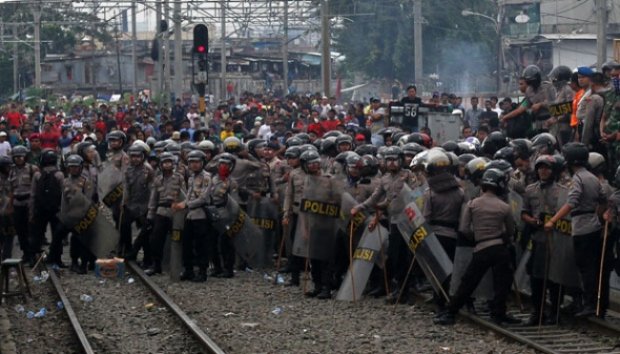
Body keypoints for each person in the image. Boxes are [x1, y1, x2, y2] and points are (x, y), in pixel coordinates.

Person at [435, 168, 519, 325]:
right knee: (502, 284)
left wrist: (477, 239)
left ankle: (450, 312)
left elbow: (464, 228)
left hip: (481, 248)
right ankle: (498, 314)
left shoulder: (472, 204)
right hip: (500, 248)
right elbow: (511, 230)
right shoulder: (504, 207)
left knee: (468, 283)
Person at [544, 142, 606, 317]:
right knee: (591, 266)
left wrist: (553, 221)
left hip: (581, 226)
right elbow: (602, 200)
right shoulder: (593, 177)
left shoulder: (578, 179)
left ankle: (589, 304)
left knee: (584, 267)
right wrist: (599, 217)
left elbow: (571, 203)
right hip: (593, 224)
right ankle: (592, 303)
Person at [351, 146, 416, 304]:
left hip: (409, 222)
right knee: (394, 257)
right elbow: (374, 198)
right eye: (388, 160)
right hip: (393, 222)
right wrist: (359, 207)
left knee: (407, 257)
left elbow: (416, 195)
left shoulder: (408, 175)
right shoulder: (384, 179)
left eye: (394, 160)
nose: (392, 163)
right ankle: (398, 288)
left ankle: (406, 290)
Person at [521, 155, 567, 325]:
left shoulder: (563, 190)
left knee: (556, 278)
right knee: (536, 277)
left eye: (547, 168)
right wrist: (532, 221)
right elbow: (523, 212)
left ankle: (555, 312)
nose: (543, 171)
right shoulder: (530, 190)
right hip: (538, 239)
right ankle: (537, 312)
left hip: (556, 239)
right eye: (540, 167)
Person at [145, 152, 187, 276]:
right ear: (161, 165)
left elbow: (184, 195)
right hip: (161, 211)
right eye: (164, 162)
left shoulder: (179, 177)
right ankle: (156, 265)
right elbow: (153, 198)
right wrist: (150, 215)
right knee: (156, 239)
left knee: (179, 239)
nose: (167, 165)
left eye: (169, 162)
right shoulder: (157, 179)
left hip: (176, 211)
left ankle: (181, 266)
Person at [173, 150, 211, 282]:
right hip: (190, 216)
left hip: (201, 215)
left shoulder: (206, 177)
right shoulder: (190, 178)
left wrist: (186, 205)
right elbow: (189, 195)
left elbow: (204, 198)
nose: (194, 165)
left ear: (202, 163)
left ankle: (202, 272)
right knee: (187, 244)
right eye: (191, 162)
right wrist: (179, 204)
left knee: (201, 245)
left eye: (197, 162)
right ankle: (188, 270)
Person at [121, 144, 155, 259]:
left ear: (143, 157)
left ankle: (147, 257)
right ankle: (128, 249)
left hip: (144, 205)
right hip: (131, 204)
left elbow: (152, 190)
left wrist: (150, 207)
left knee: (145, 232)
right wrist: (124, 202)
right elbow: (126, 187)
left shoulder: (148, 170)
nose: (135, 159)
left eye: (138, 156)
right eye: (132, 156)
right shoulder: (128, 169)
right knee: (124, 227)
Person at [8, 146, 39, 265]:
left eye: (21, 156)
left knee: (31, 231)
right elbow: (11, 189)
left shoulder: (33, 169)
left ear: (25, 156)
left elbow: (38, 187)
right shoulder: (12, 171)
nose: (19, 159)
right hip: (17, 204)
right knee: (20, 231)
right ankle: (25, 253)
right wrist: (10, 206)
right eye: (16, 157)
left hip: (29, 203)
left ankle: (32, 255)